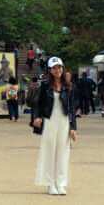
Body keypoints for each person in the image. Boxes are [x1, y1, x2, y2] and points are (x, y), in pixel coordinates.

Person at [32, 57, 78, 196]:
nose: (57, 70)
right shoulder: (45, 86)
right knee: (49, 152)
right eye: (54, 68)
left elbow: (71, 109)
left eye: (59, 67)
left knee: (63, 153)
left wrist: (73, 128)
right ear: (50, 70)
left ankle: (61, 183)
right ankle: (50, 183)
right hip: (50, 120)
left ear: (62, 69)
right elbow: (38, 104)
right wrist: (38, 117)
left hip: (64, 121)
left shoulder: (69, 86)